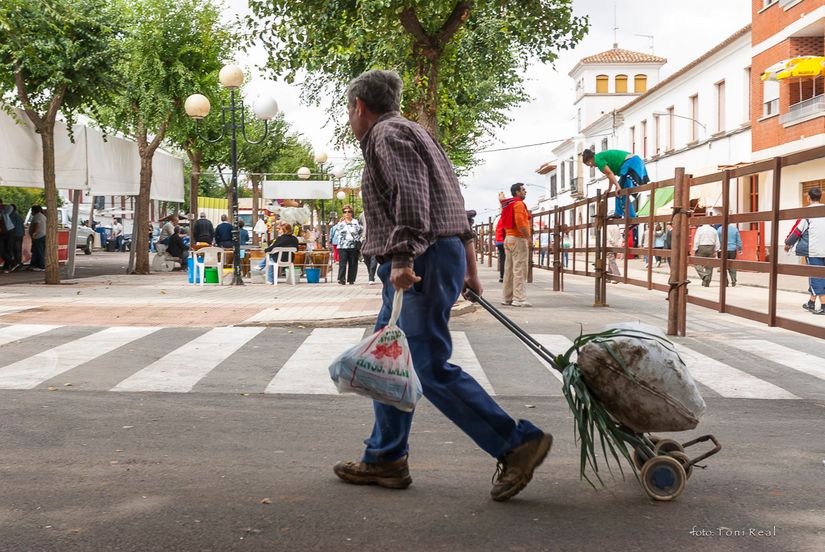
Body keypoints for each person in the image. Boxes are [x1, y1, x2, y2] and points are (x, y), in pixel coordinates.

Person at [333, 69, 551, 502]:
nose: (350, 119)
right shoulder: (417, 132)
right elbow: (453, 202)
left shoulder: (386, 136)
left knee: (427, 365)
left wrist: (401, 258)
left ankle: (515, 442)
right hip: (440, 254)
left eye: (349, 111)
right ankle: (385, 457)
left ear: (359, 106)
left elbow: (412, 202)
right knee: (388, 358)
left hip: (420, 260)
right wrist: (468, 266)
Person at [785, 186, 825, 315]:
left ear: (808, 198)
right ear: (820, 197)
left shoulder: (807, 213)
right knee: (820, 276)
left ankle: (824, 306)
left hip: (813, 251)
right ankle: (811, 303)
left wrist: (788, 244)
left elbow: (797, 231)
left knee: (816, 278)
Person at [582, 149, 649, 220]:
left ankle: (632, 218)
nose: (591, 166)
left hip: (631, 163)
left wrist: (617, 186)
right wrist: (610, 188)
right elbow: (610, 174)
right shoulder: (599, 158)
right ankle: (618, 213)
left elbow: (609, 173)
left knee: (621, 191)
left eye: (588, 164)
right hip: (634, 162)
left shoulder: (598, 161)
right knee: (619, 190)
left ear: (590, 161)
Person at [500, 183, 531, 307]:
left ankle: (507, 298)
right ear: (517, 192)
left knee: (509, 270)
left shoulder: (508, 204)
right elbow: (520, 222)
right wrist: (528, 237)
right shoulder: (518, 204)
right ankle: (519, 299)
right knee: (520, 269)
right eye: (523, 190)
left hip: (508, 238)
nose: (525, 192)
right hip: (518, 238)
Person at [335, 205, 362, 285]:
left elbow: (359, 232)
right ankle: (341, 279)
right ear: (343, 214)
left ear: (351, 213)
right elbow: (338, 234)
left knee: (353, 264)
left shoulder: (356, 222)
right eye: (345, 212)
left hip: (353, 246)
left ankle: (351, 279)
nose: (347, 213)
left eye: (349, 212)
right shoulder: (340, 224)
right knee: (342, 264)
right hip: (342, 246)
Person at [693, 222, 720, 287]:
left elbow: (696, 240)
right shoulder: (713, 230)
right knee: (709, 265)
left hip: (701, 247)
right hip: (711, 247)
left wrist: (695, 248)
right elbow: (717, 241)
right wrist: (717, 249)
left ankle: (704, 276)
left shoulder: (699, 229)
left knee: (697, 263)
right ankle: (707, 282)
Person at [717, 222, 743, 287]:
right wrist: (740, 249)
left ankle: (725, 282)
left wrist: (718, 248)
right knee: (732, 265)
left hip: (723, 250)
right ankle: (733, 280)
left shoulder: (719, 229)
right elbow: (739, 240)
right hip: (732, 250)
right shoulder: (735, 229)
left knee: (723, 266)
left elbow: (717, 240)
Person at [359, 211, 378, 284]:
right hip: (365, 239)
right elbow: (360, 225)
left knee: (374, 258)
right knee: (365, 257)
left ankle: (371, 277)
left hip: (375, 238)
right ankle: (370, 272)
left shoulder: (377, 212)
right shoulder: (362, 214)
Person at [28, 205, 46, 271]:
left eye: (31, 211)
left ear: (34, 210)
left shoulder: (37, 216)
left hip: (38, 237)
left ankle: (41, 266)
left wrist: (34, 233)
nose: (31, 212)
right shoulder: (42, 216)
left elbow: (37, 225)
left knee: (39, 251)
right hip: (42, 236)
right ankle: (33, 265)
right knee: (36, 251)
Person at [8, 204, 24, 272]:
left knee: (15, 250)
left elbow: (11, 226)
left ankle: (16, 264)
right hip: (20, 234)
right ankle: (18, 264)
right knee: (18, 250)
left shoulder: (11, 216)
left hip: (15, 235)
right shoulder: (18, 216)